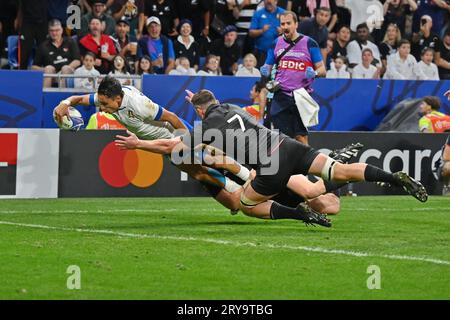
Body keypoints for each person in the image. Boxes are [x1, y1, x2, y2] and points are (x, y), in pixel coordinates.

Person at [118, 88, 428, 227]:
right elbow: (210, 105)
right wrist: (199, 102)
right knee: (338, 175)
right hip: (289, 146)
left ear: (199, 112)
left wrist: (138, 144)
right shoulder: (235, 108)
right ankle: (393, 177)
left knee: (246, 205)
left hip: (269, 168)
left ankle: (301, 216)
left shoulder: (206, 129)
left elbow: (171, 146)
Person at [53, 76, 251, 196]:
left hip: (172, 134)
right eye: (101, 103)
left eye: (105, 104)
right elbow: (78, 98)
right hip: (159, 142)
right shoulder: (107, 97)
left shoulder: (139, 105)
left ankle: (246, 175)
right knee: (198, 172)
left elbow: (172, 117)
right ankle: (236, 188)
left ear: (118, 98)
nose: (102, 109)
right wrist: (65, 103)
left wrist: (188, 141)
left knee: (208, 157)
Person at [261, 11, 326, 145]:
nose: (285, 26)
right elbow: (267, 66)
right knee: (282, 139)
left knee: (301, 138)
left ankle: (307, 165)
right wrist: (264, 71)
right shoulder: (275, 43)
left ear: (296, 24)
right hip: (280, 96)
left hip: (300, 97)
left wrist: (314, 73)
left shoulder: (310, 43)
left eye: (288, 23)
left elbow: (322, 70)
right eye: (282, 24)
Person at [31, 19, 81, 88]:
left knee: (65, 69)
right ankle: (45, 97)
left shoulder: (70, 42)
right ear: (48, 31)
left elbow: (77, 61)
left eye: (57, 30)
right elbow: (34, 67)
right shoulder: (43, 46)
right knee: (49, 68)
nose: (54, 33)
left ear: (61, 30)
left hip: (68, 73)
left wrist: (63, 70)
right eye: (52, 31)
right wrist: (46, 70)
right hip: (51, 74)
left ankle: (62, 97)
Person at [249, 0, 286, 67]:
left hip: (279, 53)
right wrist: (261, 31)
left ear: (276, 1)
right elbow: (251, 33)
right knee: (261, 75)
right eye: (266, 2)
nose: (268, 4)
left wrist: (283, 32)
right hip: (261, 53)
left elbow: (292, 32)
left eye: (270, 3)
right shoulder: (258, 13)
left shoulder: (284, 13)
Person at [16, 0, 49, 70]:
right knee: (24, 52)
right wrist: (18, 18)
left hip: (42, 23)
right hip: (27, 22)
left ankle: (47, 74)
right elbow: (20, 5)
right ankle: (22, 74)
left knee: (45, 50)